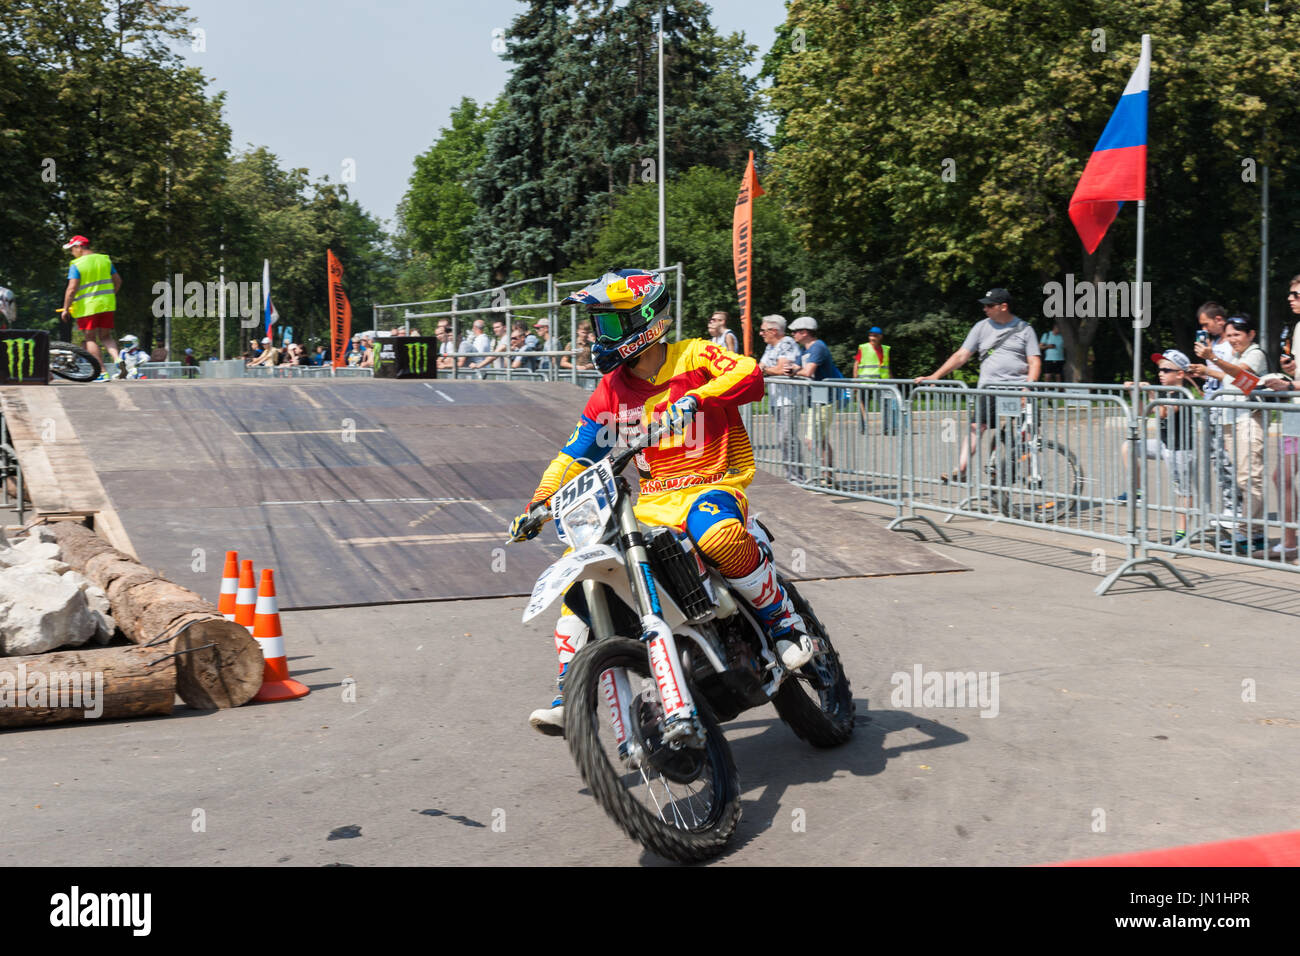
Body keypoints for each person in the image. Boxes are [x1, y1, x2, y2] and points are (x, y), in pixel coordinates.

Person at [508, 269, 815, 735]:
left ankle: (783, 622)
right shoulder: (610, 390)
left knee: (716, 534)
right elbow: (573, 453)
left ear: (644, 320)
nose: (597, 336)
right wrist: (538, 504)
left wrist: (698, 398)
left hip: (712, 482)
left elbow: (749, 373)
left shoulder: (693, 354)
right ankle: (570, 691)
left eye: (608, 324)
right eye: (596, 325)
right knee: (586, 568)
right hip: (651, 501)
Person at [915, 287, 1041, 482]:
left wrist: (1028, 388)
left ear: (1004, 306)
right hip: (989, 389)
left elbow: (1034, 362)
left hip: (1017, 389)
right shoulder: (981, 327)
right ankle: (961, 469)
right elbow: (962, 355)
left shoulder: (1025, 329)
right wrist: (936, 375)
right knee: (976, 427)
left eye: (990, 305)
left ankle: (1030, 473)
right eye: (985, 305)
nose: (985, 309)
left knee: (1027, 431)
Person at [1193, 312, 1270, 554]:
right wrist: (1204, 371)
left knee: (1250, 478)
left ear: (1251, 334)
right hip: (1232, 421)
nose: (1232, 339)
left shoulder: (1254, 354)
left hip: (1248, 420)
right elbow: (1232, 378)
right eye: (1228, 336)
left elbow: (1241, 374)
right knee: (1241, 478)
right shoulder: (1237, 356)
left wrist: (1212, 357)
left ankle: (1250, 532)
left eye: (1237, 334)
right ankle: (1252, 532)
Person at [1119, 350, 1201, 542]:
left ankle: (1182, 531)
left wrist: (1151, 394)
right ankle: (1136, 491)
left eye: (1166, 370)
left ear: (1180, 374)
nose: (1160, 374)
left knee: (1183, 491)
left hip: (1181, 449)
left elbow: (1164, 412)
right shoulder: (1166, 392)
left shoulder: (1183, 394)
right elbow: (1144, 413)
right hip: (1165, 444)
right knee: (1129, 447)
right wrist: (1135, 393)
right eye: (1159, 370)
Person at [790, 316, 844, 485]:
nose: (793, 335)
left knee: (811, 440)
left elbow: (806, 372)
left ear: (804, 332)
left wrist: (793, 371)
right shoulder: (805, 351)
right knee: (820, 439)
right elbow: (798, 368)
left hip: (824, 400)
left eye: (795, 332)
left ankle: (825, 475)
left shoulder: (818, 347)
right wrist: (792, 370)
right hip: (815, 401)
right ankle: (828, 476)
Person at [59, 235, 122, 373]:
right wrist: (110, 296)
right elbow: (118, 281)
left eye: (72, 249)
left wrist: (66, 309)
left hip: (88, 307)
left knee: (90, 339)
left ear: (79, 247)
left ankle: (102, 372)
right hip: (107, 304)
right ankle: (118, 359)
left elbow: (71, 289)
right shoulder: (105, 259)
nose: (72, 253)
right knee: (106, 336)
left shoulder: (77, 264)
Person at [757, 314, 804, 480]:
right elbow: (759, 368)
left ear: (774, 330)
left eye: (763, 330)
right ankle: (791, 475)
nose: (760, 333)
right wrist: (763, 370)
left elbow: (781, 369)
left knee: (787, 437)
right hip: (777, 399)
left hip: (789, 399)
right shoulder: (770, 347)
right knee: (783, 439)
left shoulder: (786, 343)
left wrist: (764, 370)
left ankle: (797, 477)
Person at [853, 325, 899, 436]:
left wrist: (893, 382)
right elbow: (856, 364)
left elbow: (887, 367)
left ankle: (888, 429)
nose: (872, 338)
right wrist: (855, 381)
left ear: (880, 337)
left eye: (875, 336)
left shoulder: (885, 349)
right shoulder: (863, 348)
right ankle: (862, 428)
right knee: (862, 406)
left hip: (883, 383)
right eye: (870, 335)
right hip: (865, 382)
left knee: (886, 405)